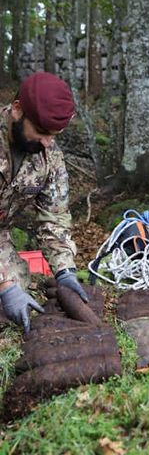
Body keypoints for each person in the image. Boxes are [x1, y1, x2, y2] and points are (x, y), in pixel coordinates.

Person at [0, 72, 89, 333]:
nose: (47, 142)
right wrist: (5, 285)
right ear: (17, 110)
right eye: (40, 132)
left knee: (19, 290)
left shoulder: (49, 156)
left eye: (54, 135)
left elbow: (55, 216)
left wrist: (64, 270)